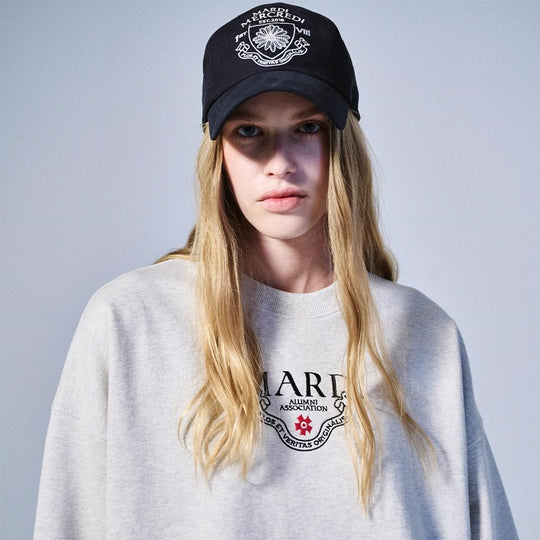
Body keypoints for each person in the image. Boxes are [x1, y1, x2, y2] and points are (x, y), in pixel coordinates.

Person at [34, 3, 518, 538]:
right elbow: (68, 522)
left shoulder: (424, 332)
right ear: (217, 153)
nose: (280, 162)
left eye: (307, 127)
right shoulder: (131, 320)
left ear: (343, 146)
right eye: (249, 131)